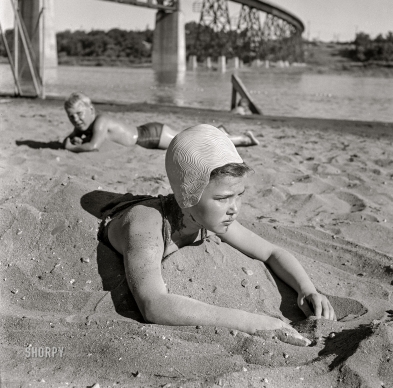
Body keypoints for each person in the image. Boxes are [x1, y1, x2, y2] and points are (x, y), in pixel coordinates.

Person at [97, 124, 336, 345]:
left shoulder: (212, 216)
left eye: (239, 194)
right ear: (186, 195)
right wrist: (253, 323)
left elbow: (272, 252)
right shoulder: (145, 226)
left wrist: (307, 289)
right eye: (222, 198)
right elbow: (154, 304)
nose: (234, 208)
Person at [63, 92, 259, 153]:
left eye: (79, 114)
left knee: (191, 144)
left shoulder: (100, 121)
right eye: (72, 116)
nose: (76, 119)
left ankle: (240, 138)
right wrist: (74, 138)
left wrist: (71, 148)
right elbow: (75, 136)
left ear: (91, 110)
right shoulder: (87, 124)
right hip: (148, 133)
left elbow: (94, 145)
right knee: (189, 139)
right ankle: (219, 131)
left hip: (151, 136)